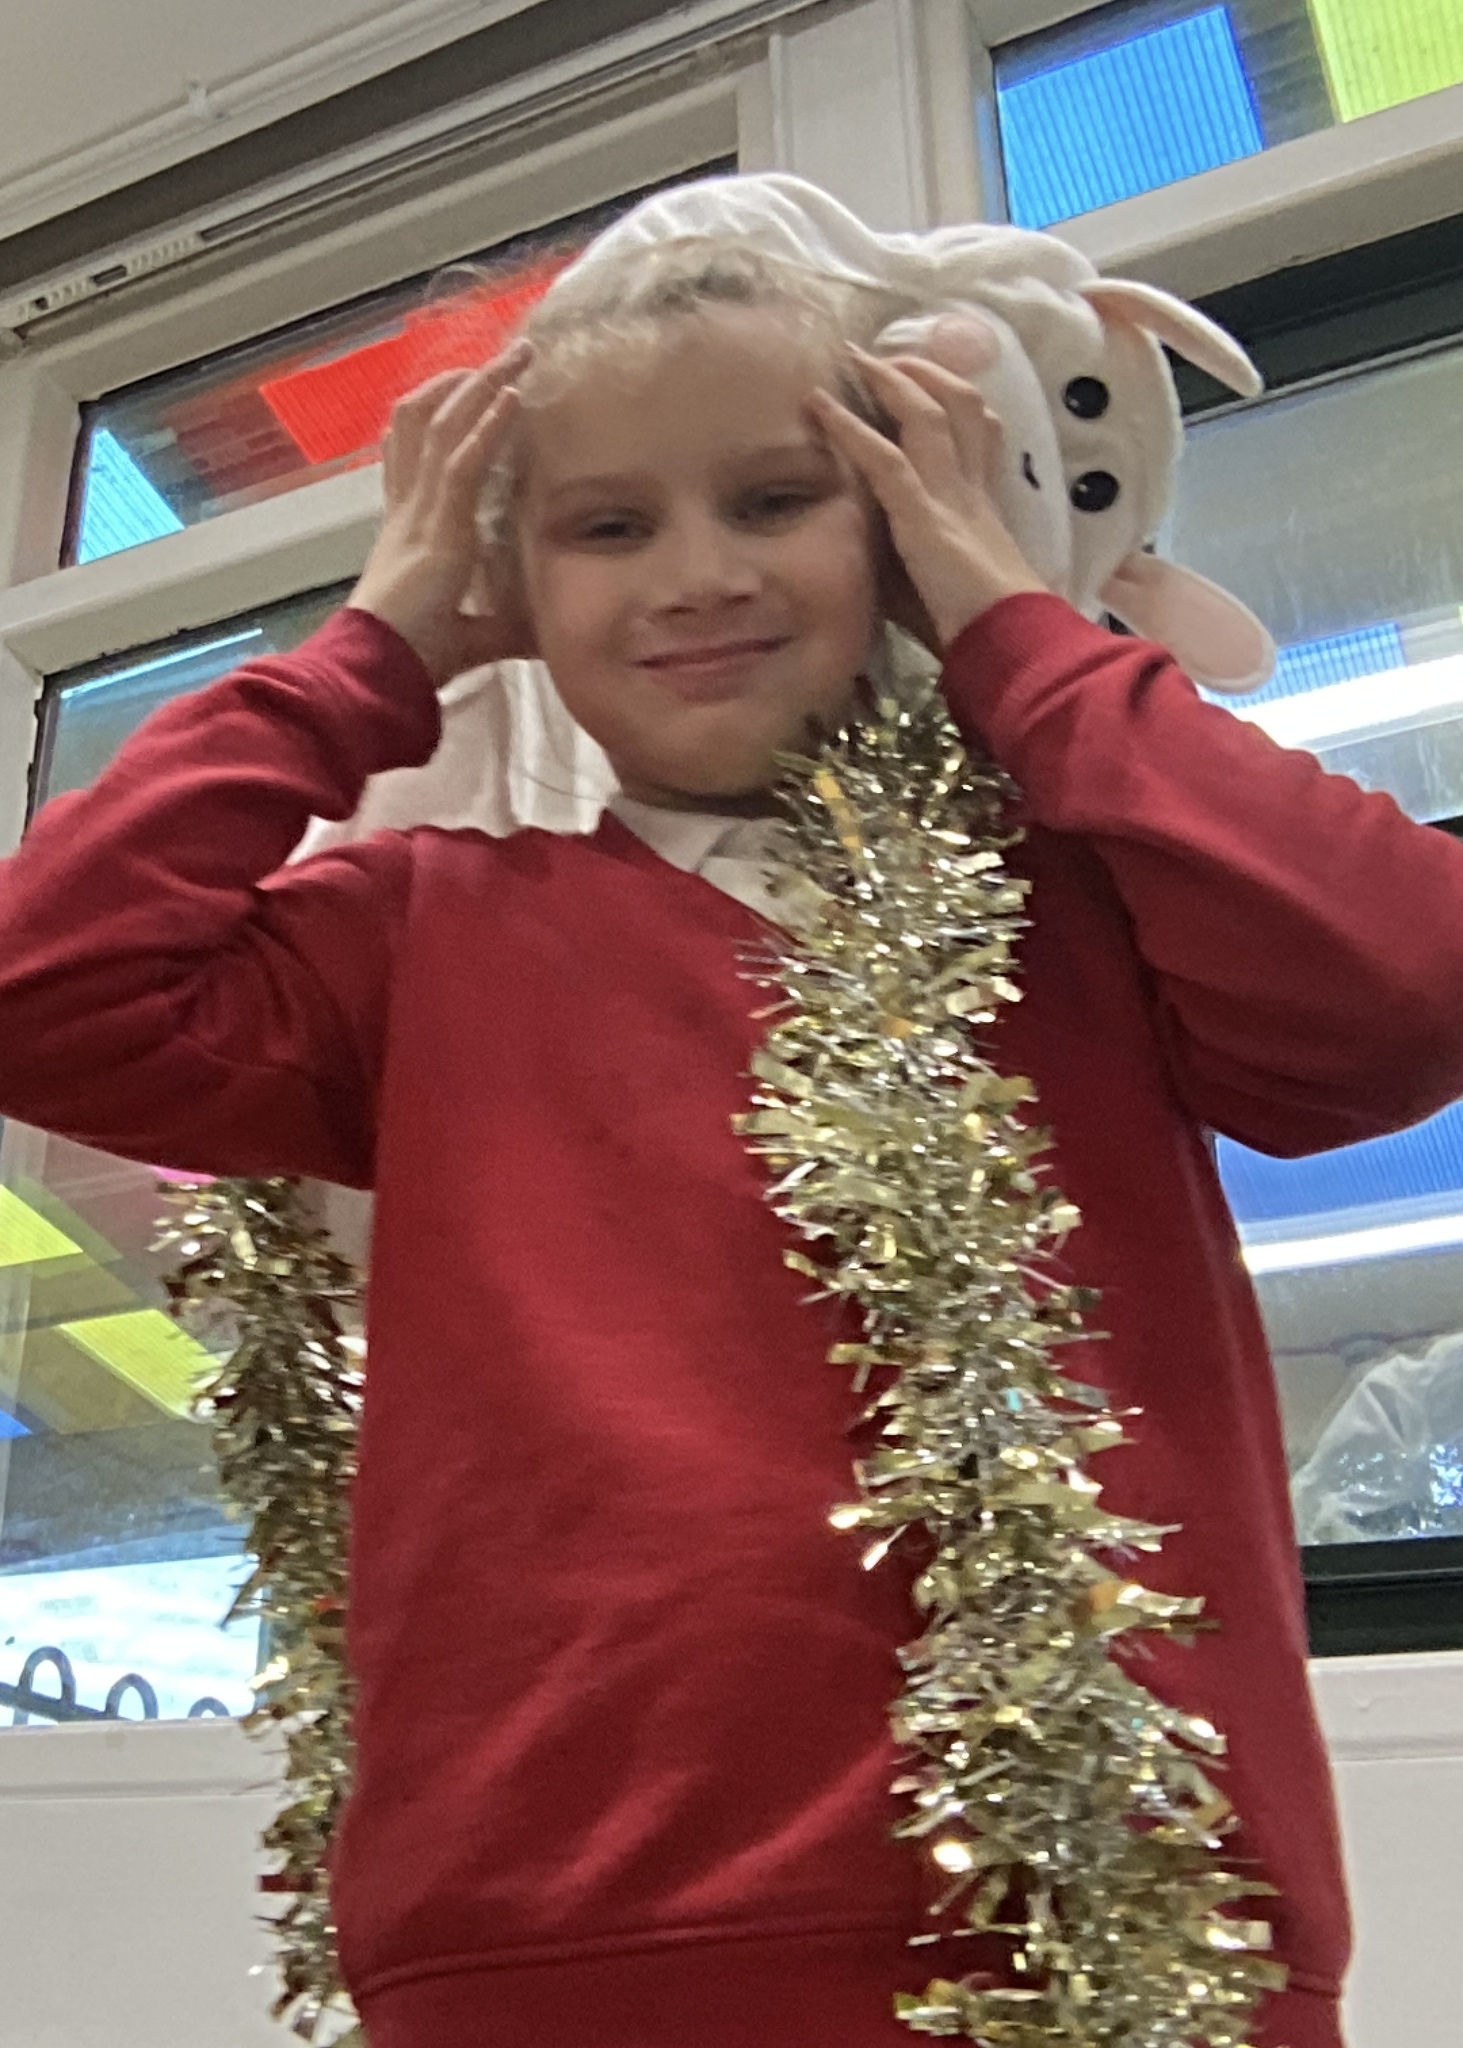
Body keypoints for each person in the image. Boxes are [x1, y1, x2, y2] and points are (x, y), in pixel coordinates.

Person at [0, 222, 1460, 2048]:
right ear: (509, 586)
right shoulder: (418, 936)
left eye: (778, 499)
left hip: (1126, 1922)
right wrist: (371, 654)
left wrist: (1004, 615)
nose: (697, 577)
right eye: (607, 527)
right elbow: (45, 986)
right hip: (554, 1932)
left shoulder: (1091, 902)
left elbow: (1411, 984)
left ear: (895, 521)